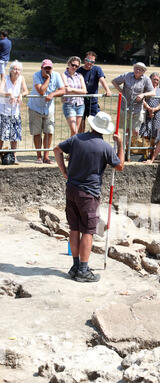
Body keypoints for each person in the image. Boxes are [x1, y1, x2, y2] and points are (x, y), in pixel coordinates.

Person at [53, 111, 124, 282]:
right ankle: (83, 270)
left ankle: (76, 266)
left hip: (71, 189)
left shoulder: (76, 139)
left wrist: (64, 171)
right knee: (88, 231)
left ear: (92, 125)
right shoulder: (105, 147)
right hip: (89, 194)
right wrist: (121, 145)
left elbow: (56, 149)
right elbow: (120, 166)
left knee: (74, 228)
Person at [27, 59, 65, 164]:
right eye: (46, 68)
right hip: (35, 108)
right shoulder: (36, 75)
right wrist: (48, 78)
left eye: (49, 68)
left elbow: (63, 90)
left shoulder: (57, 75)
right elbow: (41, 91)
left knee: (49, 132)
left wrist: (52, 94)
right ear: (41, 68)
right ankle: (39, 156)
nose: (48, 70)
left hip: (49, 109)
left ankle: (46, 157)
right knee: (37, 132)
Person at [112, 62, 154, 141]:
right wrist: (121, 91)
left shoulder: (146, 79)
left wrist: (143, 95)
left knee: (135, 131)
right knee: (127, 130)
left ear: (143, 71)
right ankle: (126, 147)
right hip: (125, 107)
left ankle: (133, 148)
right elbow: (114, 81)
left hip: (137, 109)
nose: (137, 70)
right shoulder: (127, 75)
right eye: (136, 68)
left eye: (140, 69)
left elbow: (153, 92)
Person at [0, 60, 28, 164]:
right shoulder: (5, 78)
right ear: (11, 70)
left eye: (18, 69)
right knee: (1, 136)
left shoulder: (21, 78)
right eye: (14, 69)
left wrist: (21, 94)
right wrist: (9, 94)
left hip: (15, 112)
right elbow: (0, 91)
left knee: (14, 136)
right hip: (4, 111)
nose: (16, 71)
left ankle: (14, 157)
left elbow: (26, 91)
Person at [77, 51, 111, 133]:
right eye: (88, 60)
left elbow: (102, 80)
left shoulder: (97, 69)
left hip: (93, 102)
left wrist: (108, 90)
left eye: (92, 61)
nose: (89, 63)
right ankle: (81, 142)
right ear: (84, 60)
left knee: (95, 125)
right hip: (80, 102)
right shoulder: (79, 70)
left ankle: (94, 141)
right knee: (81, 124)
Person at [139, 72, 160, 158]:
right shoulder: (146, 89)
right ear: (150, 79)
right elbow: (142, 100)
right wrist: (149, 108)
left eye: (157, 80)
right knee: (145, 133)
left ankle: (152, 153)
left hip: (157, 114)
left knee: (155, 134)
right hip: (146, 113)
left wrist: (154, 109)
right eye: (154, 79)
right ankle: (145, 153)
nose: (156, 81)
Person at [61, 56, 87, 137]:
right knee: (74, 130)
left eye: (77, 66)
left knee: (75, 132)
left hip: (80, 105)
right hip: (69, 104)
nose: (74, 67)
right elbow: (66, 90)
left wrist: (71, 89)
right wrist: (79, 91)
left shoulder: (79, 76)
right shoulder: (63, 75)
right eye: (73, 65)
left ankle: (72, 149)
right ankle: (69, 148)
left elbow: (85, 91)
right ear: (69, 64)